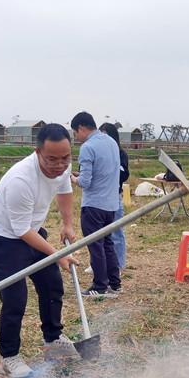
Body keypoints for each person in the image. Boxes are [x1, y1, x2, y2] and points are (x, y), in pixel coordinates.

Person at [0, 123, 79, 378]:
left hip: (33, 231)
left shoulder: (63, 164)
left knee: (52, 286)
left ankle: (53, 340)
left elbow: (65, 190)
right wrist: (58, 255)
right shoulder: (20, 179)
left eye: (65, 158)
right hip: (3, 238)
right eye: (52, 159)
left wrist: (68, 223)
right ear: (37, 152)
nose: (59, 164)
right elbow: (22, 231)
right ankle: (9, 358)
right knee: (15, 298)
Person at [69, 111, 121, 298]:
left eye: (75, 133)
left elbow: (86, 182)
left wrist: (73, 178)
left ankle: (99, 286)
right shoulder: (111, 142)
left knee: (95, 245)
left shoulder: (88, 147)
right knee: (107, 243)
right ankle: (114, 283)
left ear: (82, 128)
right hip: (111, 204)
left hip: (94, 205)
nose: (76, 137)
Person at [99, 123, 129, 269]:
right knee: (98, 234)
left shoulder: (120, 153)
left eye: (106, 135)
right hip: (98, 199)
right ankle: (99, 263)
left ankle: (118, 264)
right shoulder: (97, 152)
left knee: (116, 232)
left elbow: (124, 175)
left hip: (114, 197)